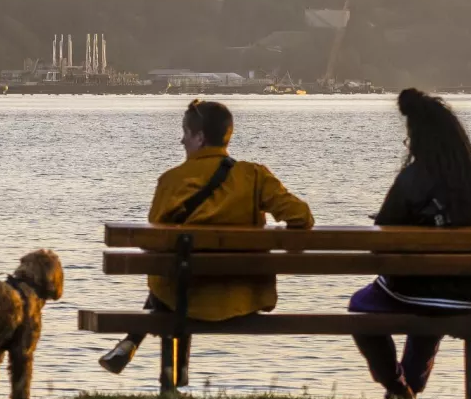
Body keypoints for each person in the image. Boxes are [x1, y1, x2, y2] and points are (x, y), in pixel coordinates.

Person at [99, 99, 314, 375]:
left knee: (176, 269)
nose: (181, 140)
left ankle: (139, 347)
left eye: (185, 133)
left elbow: (153, 242)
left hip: (182, 300)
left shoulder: (172, 181)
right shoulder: (254, 176)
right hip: (243, 298)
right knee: (179, 267)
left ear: (199, 137)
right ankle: (143, 350)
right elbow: (302, 217)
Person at [350, 88, 471, 399]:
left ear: (416, 138)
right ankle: (409, 390)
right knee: (435, 300)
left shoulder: (412, 179)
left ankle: (397, 385)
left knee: (361, 306)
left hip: (416, 291)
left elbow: (382, 243)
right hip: (470, 299)